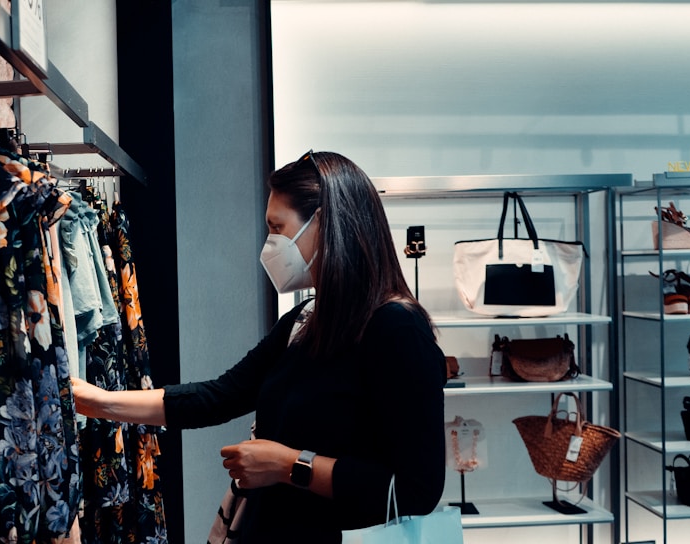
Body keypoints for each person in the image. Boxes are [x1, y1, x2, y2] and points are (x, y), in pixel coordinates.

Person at [72, 151, 447, 542]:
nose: (270, 243)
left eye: (277, 227)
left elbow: (417, 490)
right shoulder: (307, 319)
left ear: (323, 222)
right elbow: (220, 396)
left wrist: (288, 465)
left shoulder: (397, 328)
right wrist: (96, 401)